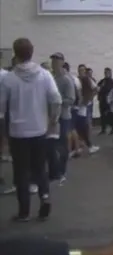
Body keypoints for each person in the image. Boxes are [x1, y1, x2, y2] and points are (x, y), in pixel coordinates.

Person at [0, 38, 61, 221]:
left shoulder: (9, 78)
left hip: (18, 133)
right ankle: (44, 198)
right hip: (39, 130)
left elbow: (1, 107)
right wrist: (52, 120)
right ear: (32, 52)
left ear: (15, 54)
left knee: (21, 172)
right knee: (40, 168)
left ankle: (24, 211)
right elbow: (56, 99)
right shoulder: (44, 74)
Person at [48, 53, 76, 184]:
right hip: (52, 116)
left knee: (63, 146)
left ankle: (62, 172)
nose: (53, 63)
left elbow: (71, 99)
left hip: (64, 117)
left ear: (62, 62)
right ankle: (54, 171)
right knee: (52, 145)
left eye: (56, 61)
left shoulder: (66, 79)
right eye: (52, 61)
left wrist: (57, 101)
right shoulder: (51, 78)